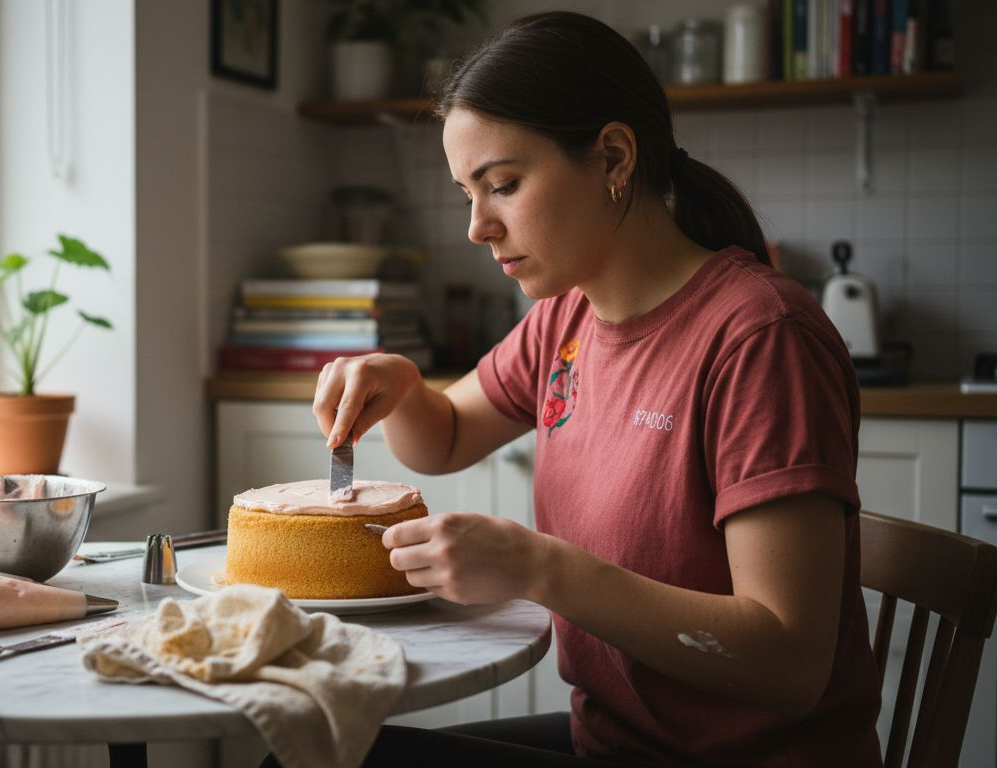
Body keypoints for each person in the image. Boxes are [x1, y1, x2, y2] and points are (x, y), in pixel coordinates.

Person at [307, 11, 883, 767]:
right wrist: (403, 388)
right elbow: (444, 439)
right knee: (323, 750)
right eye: (467, 194)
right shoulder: (566, 317)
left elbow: (790, 663)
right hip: (613, 744)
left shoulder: (759, 338)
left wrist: (538, 567)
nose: (479, 226)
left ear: (612, 157)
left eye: (503, 185)